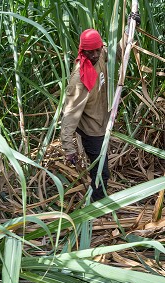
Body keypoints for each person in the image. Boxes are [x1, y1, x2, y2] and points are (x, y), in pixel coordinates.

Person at [61, 14, 140, 201]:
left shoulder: (100, 54)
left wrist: (130, 27)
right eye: (91, 52)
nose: (95, 55)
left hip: (103, 123)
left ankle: (98, 201)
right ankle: (95, 209)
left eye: (98, 50)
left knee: (100, 172)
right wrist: (68, 148)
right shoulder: (79, 79)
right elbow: (69, 114)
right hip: (91, 131)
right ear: (83, 51)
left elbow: (119, 52)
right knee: (102, 175)